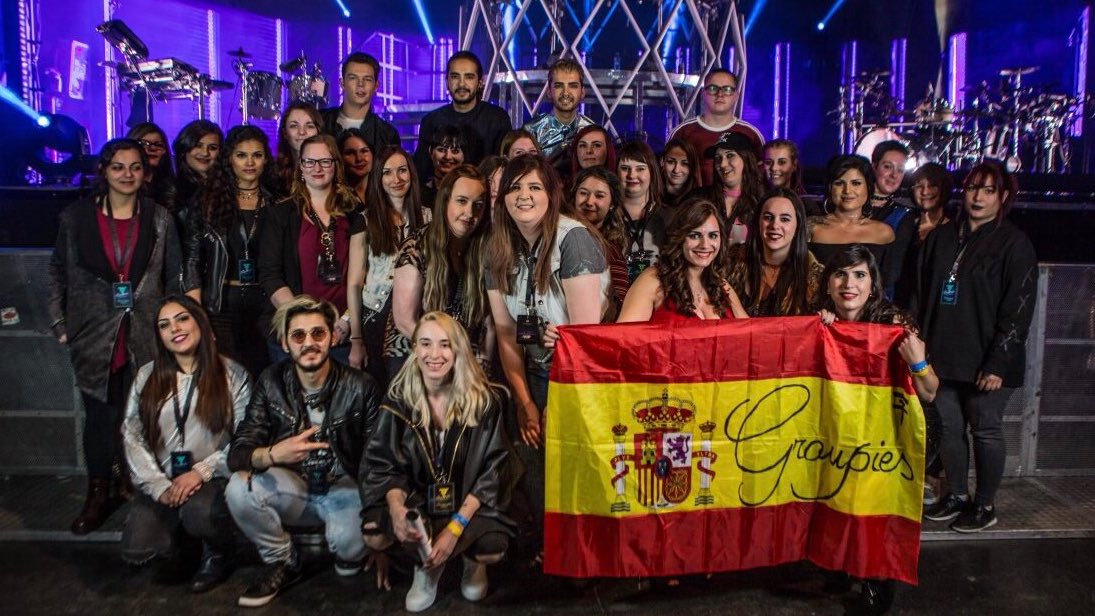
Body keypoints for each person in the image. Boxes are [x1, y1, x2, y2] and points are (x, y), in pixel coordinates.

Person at [47, 138, 189, 534]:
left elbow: (175, 275)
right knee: (100, 417)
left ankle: (136, 482)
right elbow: (57, 272)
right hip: (94, 334)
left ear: (146, 174)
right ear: (104, 171)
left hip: (146, 332)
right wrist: (60, 325)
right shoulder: (76, 218)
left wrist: (176, 328)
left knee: (144, 414)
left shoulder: (159, 218)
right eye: (118, 167)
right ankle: (98, 492)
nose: (127, 174)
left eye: (135, 167)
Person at [485, 154, 609, 551]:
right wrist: (525, 403)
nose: (523, 195)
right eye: (515, 187)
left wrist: (554, 406)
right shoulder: (496, 246)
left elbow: (583, 340)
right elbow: (507, 333)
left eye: (534, 187)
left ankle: (584, 553)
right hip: (535, 371)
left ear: (552, 195)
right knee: (534, 458)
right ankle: (551, 548)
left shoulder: (573, 240)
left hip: (579, 379)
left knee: (575, 465)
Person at [225, 295, 384, 607]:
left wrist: (381, 536)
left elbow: (379, 460)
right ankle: (283, 559)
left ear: (331, 338)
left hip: (343, 487)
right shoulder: (271, 381)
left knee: (352, 548)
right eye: (298, 336)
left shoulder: (361, 386)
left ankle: (347, 550)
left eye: (318, 333)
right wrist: (273, 454)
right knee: (238, 489)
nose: (309, 343)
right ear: (285, 343)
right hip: (293, 486)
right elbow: (238, 451)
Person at [362, 311, 519, 611]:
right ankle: (426, 565)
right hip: (420, 498)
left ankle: (472, 562)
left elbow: (495, 470)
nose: (434, 354)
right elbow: (382, 464)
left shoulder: (484, 400)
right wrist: (396, 507)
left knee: (491, 548)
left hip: (469, 503)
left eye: (445, 344)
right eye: (425, 343)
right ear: (414, 348)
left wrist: (455, 528)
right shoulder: (397, 400)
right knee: (375, 532)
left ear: (458, 350)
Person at [815, 244, 939, 616]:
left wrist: (918, 363)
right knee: (836, 491)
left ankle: (877, 578)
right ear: (828, 283)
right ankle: (840, 561)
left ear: (873, 285)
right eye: (840, 274)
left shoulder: (894, 324)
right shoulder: (821, 321)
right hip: (849, 429)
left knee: (874, 502)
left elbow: (930, 392)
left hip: (897, 432)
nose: (848, 284)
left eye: (859, 275)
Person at [915, 161, 1037, 533]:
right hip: (943, 356)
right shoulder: (941, 237)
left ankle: (984, 505)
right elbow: (919, 294)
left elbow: (1019, 310)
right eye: (972, 188)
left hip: (988, 361)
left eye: (988, 190)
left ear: (1003, 197)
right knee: (948, 428)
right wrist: (917, 347)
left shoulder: (1014, 243)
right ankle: (956, 495)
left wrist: (997, 363)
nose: (978, 197)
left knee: (984, 429)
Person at [121, 295, 251, 593]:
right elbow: (132, 435)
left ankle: (220, 553)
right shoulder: (147, 375)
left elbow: (245, 437)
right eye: (164, 325)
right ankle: (186, 544)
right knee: (138, 547)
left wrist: (201, 472)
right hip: (166, 479)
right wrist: (157, 485)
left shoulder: (232, 374)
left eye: (182, 319)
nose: (174, 329)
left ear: (200, 323)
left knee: (199, 513)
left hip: (213, 477)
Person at [257, 134, 365, 366]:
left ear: (336, 165)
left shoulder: (354, 213)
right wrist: (304, 321)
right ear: (300, 167)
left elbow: (365, 275)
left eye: (325, 161)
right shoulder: (280, 215)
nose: (317, 168)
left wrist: (347, 321)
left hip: (342, 330)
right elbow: (270, 274)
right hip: (296, 331)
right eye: (310, 162)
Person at [184, 125, 278, 377]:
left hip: (265, 305)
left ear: (266, 160)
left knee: (265, 377)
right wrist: (197, 315)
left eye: (257, 155)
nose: (250, 162)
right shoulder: (208, 201)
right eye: (241, 155)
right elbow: (192, 261)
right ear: (229, 160)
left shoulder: (277, 203)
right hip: (221, 305)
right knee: (228, 380)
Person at [389, 165, 492, 378]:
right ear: (445, 201)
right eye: (461, 201)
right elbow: (404, 321)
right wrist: (446, 353)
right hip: (413, 350)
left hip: (464, 353)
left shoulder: (484, 248)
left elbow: (490, 320)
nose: (470, 213)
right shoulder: (416, 246)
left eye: (478, 205)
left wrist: (484, 363)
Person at [347, 146, 430, 387]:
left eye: (402, 170)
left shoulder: (429, 217)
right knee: (380, 386)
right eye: (387, 172)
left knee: (411, 386)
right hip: (376, 313)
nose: (396, 179)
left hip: (415, 312)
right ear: (378, 178)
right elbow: (354, 283)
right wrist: (356, 339)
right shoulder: (365, 220)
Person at [617, 197, 747, 322]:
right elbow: (624, 334)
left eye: (713, 236)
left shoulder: (722, 286)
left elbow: (750, 330)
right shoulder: (652, 280)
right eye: (695, 235)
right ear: (679, 237)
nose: (705, 245)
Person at [413, 50, 511, 178]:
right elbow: (422, 171)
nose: (461, 84)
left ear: (480, 82)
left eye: (469, 77)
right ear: (447, 82)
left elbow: (504, 168)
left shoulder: (497, 118)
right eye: (455, 76)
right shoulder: (431, 121)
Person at [727, 188, 823, 317]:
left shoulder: (815, 277)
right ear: (758, 222)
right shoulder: (731, 263)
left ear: (798, 225)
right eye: (768, 217)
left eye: (785, 219)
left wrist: (827, 316)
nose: (775, 225)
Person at [808, 155, 896, 290]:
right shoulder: (812, 228)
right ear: (830, 188)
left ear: (868, 187)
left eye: (856, 183)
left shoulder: (884, 233)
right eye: (839, 183)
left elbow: (888, 285)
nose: (847, 191)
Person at [669, 68, 765, 185]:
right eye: (713, 88)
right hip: (693, 196)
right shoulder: (683, 132)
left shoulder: (751, 134)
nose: (720, 94)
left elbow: (760, 178)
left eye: (727, 89)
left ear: (736, 95)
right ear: (703, 94)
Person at [572, 166, 630, 307]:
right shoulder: (557, 234)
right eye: (583, 193)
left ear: (612, 204)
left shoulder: (613, 251)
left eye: (599, 196)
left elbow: (621, 301)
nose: (589, 201)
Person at [694, 131, 765, 245]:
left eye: (730, 156)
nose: (722, 164)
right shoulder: (700, 198)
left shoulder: (762, 200)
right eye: (718, 158)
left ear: (746, 159)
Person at [319, 51, 400, 147]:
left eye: (367, 79)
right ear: (342, 83)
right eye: (353, 78)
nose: (360, 84)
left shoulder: (387, 135)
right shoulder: (320, 121)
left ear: (376, 86)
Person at [869, 141, 918, 299]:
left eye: (900, 170)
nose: (894, 175)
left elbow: (892, 274)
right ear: (874, 166)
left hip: (877, 299)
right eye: (887, 167)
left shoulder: (902, 215)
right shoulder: (853, 207)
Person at [522, 58, 594, 160]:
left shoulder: (592, 131)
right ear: (549, 92)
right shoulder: (532, 130)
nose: (565, 93)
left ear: (582, 92)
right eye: (558, 86)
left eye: (573, 86)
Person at [616, 140, 667, 281]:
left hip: (655, 289)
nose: (632, 175)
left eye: (640, 169)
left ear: (652, 172)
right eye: (625, 168)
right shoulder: (607, 216)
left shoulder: (668, 217)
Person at [172, 120, 223, 212]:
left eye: (212, 148)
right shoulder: (171, 190)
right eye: (198, 146)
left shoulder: (228, 188)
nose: (205, 153)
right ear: (185, 148)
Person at [274, 102, 322, 196]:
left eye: (309, 126)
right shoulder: (273, 173)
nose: (302, 132)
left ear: (318, 131)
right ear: (285, 133)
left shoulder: (330, 170)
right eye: (294, 126)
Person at [127, 122, 176, 210]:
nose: (152, 148)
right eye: (144, 144)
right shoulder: (120, 185)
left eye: (158, 145)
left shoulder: (172, 188)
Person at [420, 124, 470, 207]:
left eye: (455, 151)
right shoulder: (419, 194)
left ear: (464, 155)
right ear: (431, 151)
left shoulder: (471, 190)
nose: (448, 156)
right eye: (441, 150)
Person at [659, 137, 701, 209]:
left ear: (692, 167)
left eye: (684, 164)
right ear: (662, 161)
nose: (676, 170)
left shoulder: (699, 200)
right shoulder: (650, 194)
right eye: (671, 162)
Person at [337, 127, 374, 203]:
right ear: (340, 157)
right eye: (350, 153)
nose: (359, 158)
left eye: (364, 151)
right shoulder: (336, 197)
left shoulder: (386, 192)